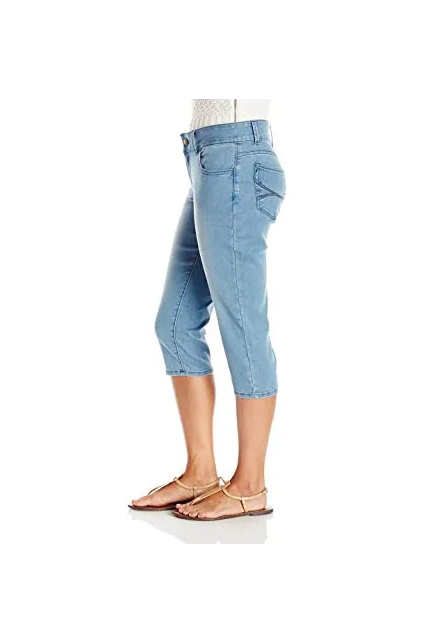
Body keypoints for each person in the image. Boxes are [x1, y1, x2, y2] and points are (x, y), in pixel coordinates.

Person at [129, 97, 286, 521]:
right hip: (209, 158)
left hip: (234, 156)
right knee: (175, 323)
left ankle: (250, 487)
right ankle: (200, 473)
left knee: (243, 327)